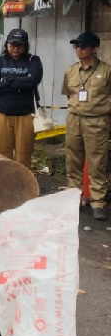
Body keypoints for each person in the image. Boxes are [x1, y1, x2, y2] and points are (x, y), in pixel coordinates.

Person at [62, 31, 109, 221]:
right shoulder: (71, 71)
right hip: (75, 119)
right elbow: (68, 93)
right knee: (73, 160)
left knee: (97, 161)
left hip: (97, 120)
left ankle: (98, 201)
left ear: (94, 48)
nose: (79, 50)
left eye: (83, 46)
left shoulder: (106, 71)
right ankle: (75, 198)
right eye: (76, 46)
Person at [0, 28, 43, 168]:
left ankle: (23, 187)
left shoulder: (33, 60)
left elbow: (34, 80)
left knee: (24, 156)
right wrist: (21, 82)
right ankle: (4, 187)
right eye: (12, 45)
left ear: (25, 46)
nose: (16, 48)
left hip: (25, 115)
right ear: (6, 45)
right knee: (1, 155)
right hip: (1, 113)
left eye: (20, 45)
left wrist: (6, 81)